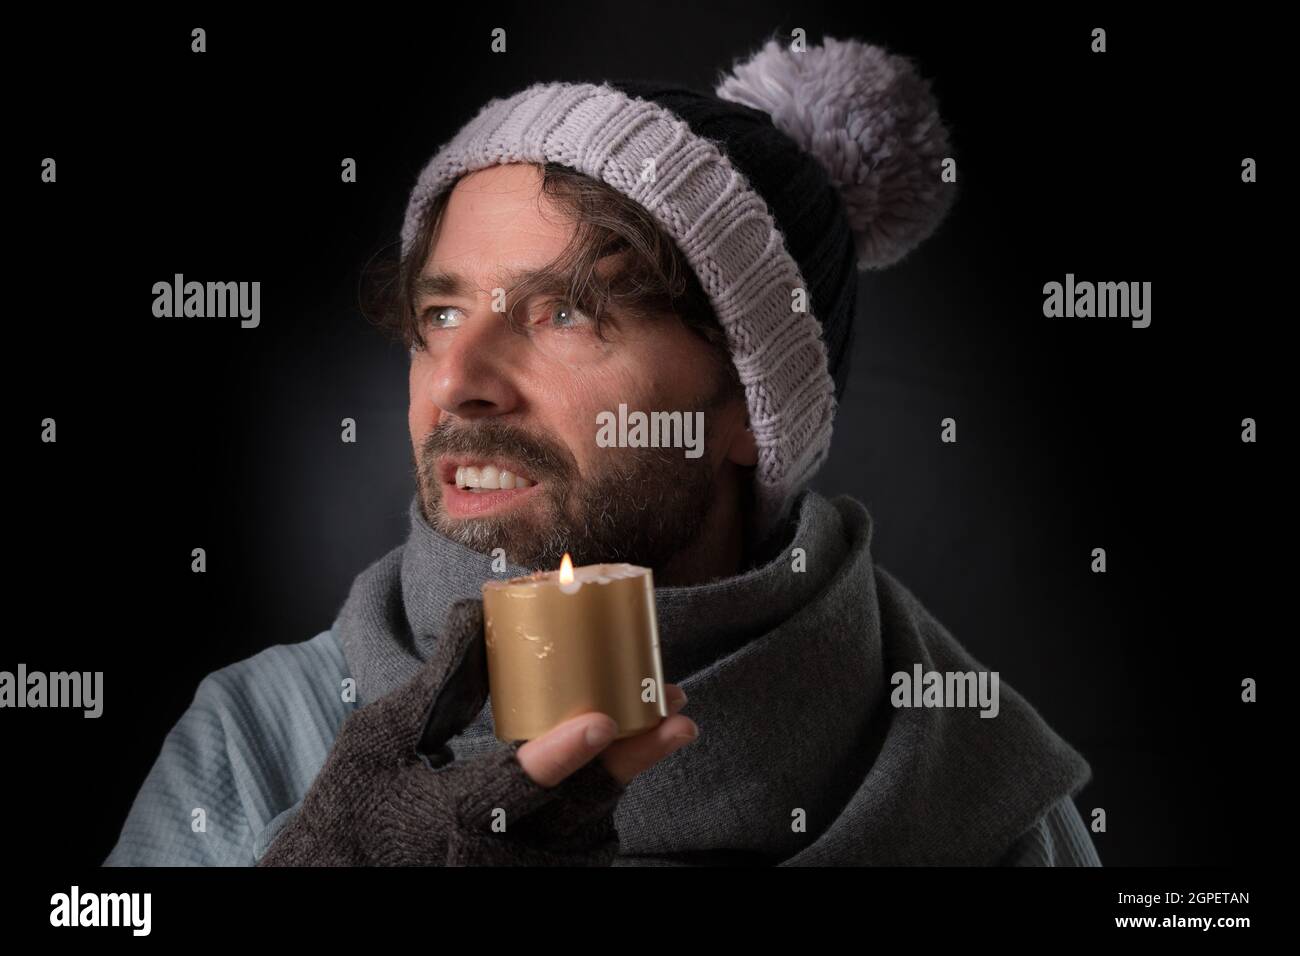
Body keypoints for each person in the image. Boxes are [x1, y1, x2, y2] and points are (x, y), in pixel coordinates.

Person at [104, 34, 1100, 866]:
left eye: (565, 311)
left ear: (750, 408)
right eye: (439, 312)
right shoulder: (255, 737)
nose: (456, 380)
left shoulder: (971, 785)